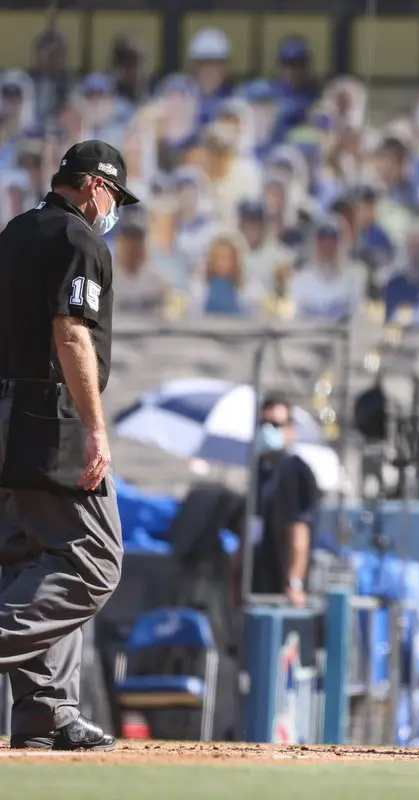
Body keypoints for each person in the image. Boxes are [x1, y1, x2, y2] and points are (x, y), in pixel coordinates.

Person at [0, 140, 137, 750]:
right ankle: (47, 709)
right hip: (47, 418)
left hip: (6, 414)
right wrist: (95, 428)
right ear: (95, 186)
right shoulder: (77, 240)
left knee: (34, 556)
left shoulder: (13, 233)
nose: (114, 210)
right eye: (115, 196)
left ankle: (47, 712)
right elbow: (72, 334)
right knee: (93, 559)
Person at [243, 394, 320, 608]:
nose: (268, 430)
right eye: (264, 424)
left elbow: (299, 531)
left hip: (283, 591)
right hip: (259, 583)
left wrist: (294, 582)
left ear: (290, 430)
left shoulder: (295, 471)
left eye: (276, 425)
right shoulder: (261, 472)